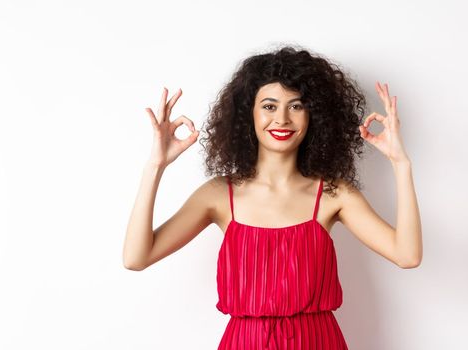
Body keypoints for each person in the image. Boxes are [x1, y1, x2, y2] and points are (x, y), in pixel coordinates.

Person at [121, 45, 423, 349]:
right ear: (247, 112)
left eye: (296, 106)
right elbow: (136, 258)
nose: (282, 118)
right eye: (269, 106)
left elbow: (407, 255)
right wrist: (155, 166)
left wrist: (401, 163)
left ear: (313, 115)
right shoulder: (218, 195)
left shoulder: (333, 194)